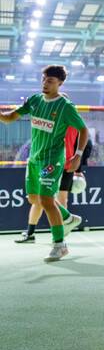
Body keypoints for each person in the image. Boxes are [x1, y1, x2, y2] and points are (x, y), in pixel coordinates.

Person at [0, 64, 87, 261]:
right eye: (44, 79)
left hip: (52, 159)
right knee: (34, 199)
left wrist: (78, 155)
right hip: (35, 158)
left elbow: (84, 130)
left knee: (47, 201)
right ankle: (68, 218)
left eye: (50, 81)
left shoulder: (65, 107)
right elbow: (8, 118)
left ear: (60, 83)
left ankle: (59, 244)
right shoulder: (35, 100)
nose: (45, 84)